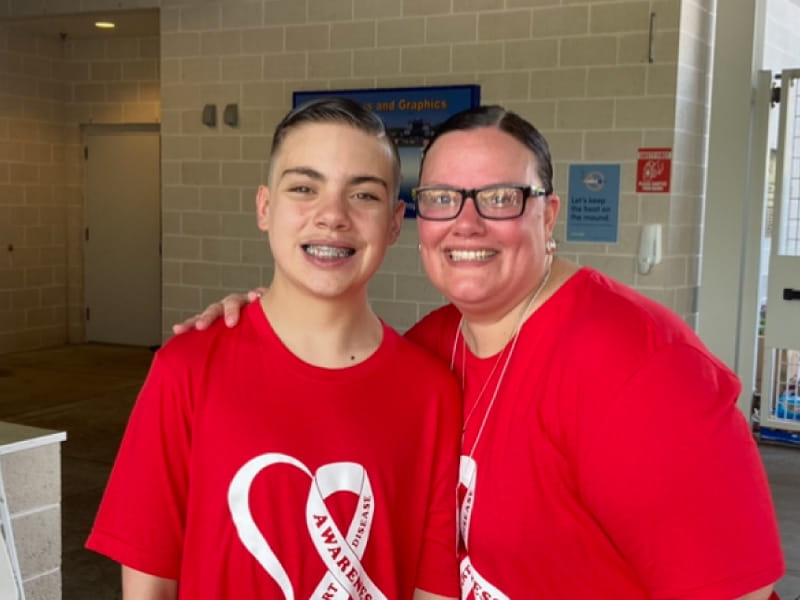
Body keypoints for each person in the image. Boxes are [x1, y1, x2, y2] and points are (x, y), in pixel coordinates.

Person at [176, 105, 785, 600]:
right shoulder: (429, 349)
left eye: (500, 197)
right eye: (443, 197)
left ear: (548, 215)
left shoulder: (640, 365)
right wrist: (253, 321)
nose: (466, 224)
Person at [87, 98, 461, 600]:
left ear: (395, 222)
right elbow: (149, 582)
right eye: (304, 188)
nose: (332, 216)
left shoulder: (431, 392)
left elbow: (432, 586)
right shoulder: (187, 370)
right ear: (265, 207)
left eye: (364, 195)